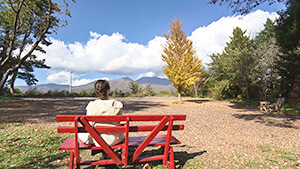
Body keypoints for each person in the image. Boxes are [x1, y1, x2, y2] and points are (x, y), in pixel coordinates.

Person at [78, 79, 124, 146]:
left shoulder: (91, 105)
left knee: (80, 134)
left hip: (96, 139)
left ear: (96, 91)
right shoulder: (117, 105)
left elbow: (89, 124)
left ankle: (103, 153)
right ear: (109, 90)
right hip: (113, 139)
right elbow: (118, 123)